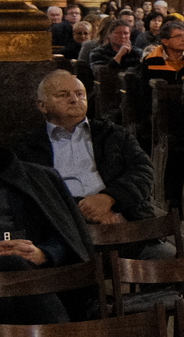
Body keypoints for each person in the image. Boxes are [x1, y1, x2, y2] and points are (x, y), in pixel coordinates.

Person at [0, 96, 93, 321]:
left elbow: (70, 237)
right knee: (11, 265)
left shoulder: (39, 177)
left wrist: (44, 253)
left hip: (39, 272)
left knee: (16, 267)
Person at [15, 71, 158, 238]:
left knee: (172, 260)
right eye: (63, 95)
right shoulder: (28, 146)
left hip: (125, 222)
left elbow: (144, 171)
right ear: (42, 106)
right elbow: (32, 192)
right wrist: (88, 211)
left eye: (80, 94)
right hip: (66, 233)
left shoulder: (113, 134)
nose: (74, 100)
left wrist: (109, 198)